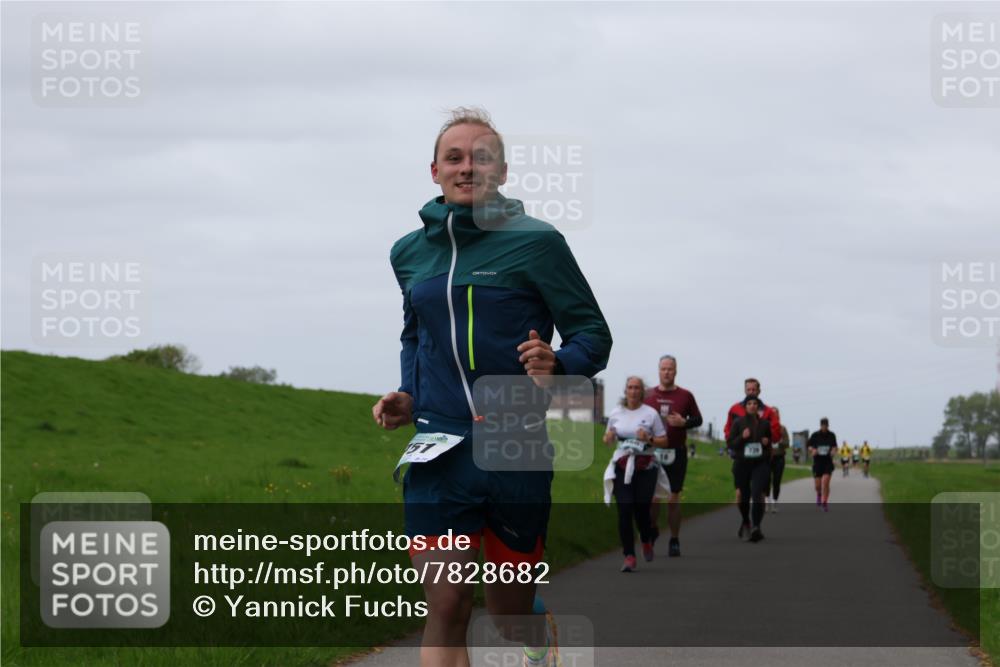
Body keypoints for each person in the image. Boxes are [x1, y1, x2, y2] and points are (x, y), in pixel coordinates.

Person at [372, 107, 612, 667]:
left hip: (515, 447)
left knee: (507, 613)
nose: (466, 167)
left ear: (501, 172)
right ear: (434, 170)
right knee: (448, 604)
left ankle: (533, 630)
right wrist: (408, 395)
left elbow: (592, 332)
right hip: (439, 449)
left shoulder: (537, 242)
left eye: (481, 158)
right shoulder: (408, 253)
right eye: (454, 157)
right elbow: (416, 335)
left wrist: (560, 364)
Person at [603, 377, 669, 571]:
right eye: (630, 388)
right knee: (624, 510)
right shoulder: (616, 412)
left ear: (643, 391)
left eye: (636, 388)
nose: (633, 391)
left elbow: (663, 441)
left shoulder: (651, 414)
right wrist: (608, 437)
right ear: (626, 391)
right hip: (622, 465)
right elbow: (607, 438)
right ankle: (629, 555)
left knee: (641, 510)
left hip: (646, 466)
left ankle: (646, 539)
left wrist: (648, 437)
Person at [643, 354, 703, 557]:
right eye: (663, 368)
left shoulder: (685, 396)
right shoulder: (648, 395)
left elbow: (698, 419)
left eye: (670, 368)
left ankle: (674, 539)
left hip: (676, 452)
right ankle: (652, 529)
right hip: (653, 451)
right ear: (658, 370)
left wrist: (684, 423)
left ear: (675, 371)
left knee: (673, 498)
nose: (666, 372)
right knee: (652, 498)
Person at [724, 378, 780, 502]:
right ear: (744, 390)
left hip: (761, 459)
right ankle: (745, 519)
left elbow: (776, 434)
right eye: (748, 389)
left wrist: (767, 438)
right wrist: (732, 444)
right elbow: (727, 430)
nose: (751, 392)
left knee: (759, 494)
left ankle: (757, 519)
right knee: (740, 494)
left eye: (754, 389)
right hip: (741, 457)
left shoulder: (768, 412)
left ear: (759, 391)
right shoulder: (735, 409)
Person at [726, 396, 772, 542]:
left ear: (759, 407)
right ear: (745, 407)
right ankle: (746, 520)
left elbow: (769, 444)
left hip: (759, 464)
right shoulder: (738, 422)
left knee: (757, 493)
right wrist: (742, 437)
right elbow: (731, 444)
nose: (752, 406)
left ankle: (756, 527)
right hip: (742, 463)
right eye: (749, 404)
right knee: (744, 496)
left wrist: (766, 442)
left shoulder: (765, 424)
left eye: (755, 404)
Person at [808, 418, 838, 511]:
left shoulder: (832, 435)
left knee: (825, 482)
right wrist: (812, 450)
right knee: (817, 486)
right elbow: (809, 445)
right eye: (823, 425)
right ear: (820, 425)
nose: (824, 427)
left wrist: (833, 451)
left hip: (828, 462)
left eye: (826, 425)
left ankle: (824, 502)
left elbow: (834, 446)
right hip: (818, 462)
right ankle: (819, 494)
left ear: (828, 426)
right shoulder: (815, 435)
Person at [766, 409, 789, 513]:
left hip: (779, 458)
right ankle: (767, 502)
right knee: (766, 480)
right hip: (767, 458)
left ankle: (775, 502)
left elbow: (787, 443)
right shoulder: (765, 427)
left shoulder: (782, 428)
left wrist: (780, 442)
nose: (774, 414)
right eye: (772, 412)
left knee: (776, 481)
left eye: (776, 412)